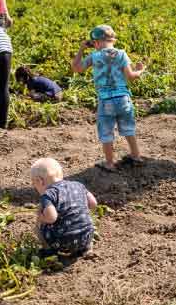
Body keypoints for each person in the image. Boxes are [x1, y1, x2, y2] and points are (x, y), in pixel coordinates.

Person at [72, 24, 146, 172]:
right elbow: (130, 77)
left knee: (106, 133)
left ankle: (110, 163)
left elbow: (77, 68)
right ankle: (136, 156)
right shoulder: (122, 54)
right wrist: (140, 70)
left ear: (96, 42)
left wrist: (81, 49)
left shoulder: (94, 56)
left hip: (106, 101)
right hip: (124, 98)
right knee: (128, 129)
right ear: (113, 40)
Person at [31, 157, 97, 257]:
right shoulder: (78, 185)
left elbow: (51, 218)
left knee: (39, 226)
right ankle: (86, 248)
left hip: (63, 241)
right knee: (87, 222)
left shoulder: (48, 195)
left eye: (34, 184)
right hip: (86, 236)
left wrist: (40, 216)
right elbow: (93, 204)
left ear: (40, 181)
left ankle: (49, 250)